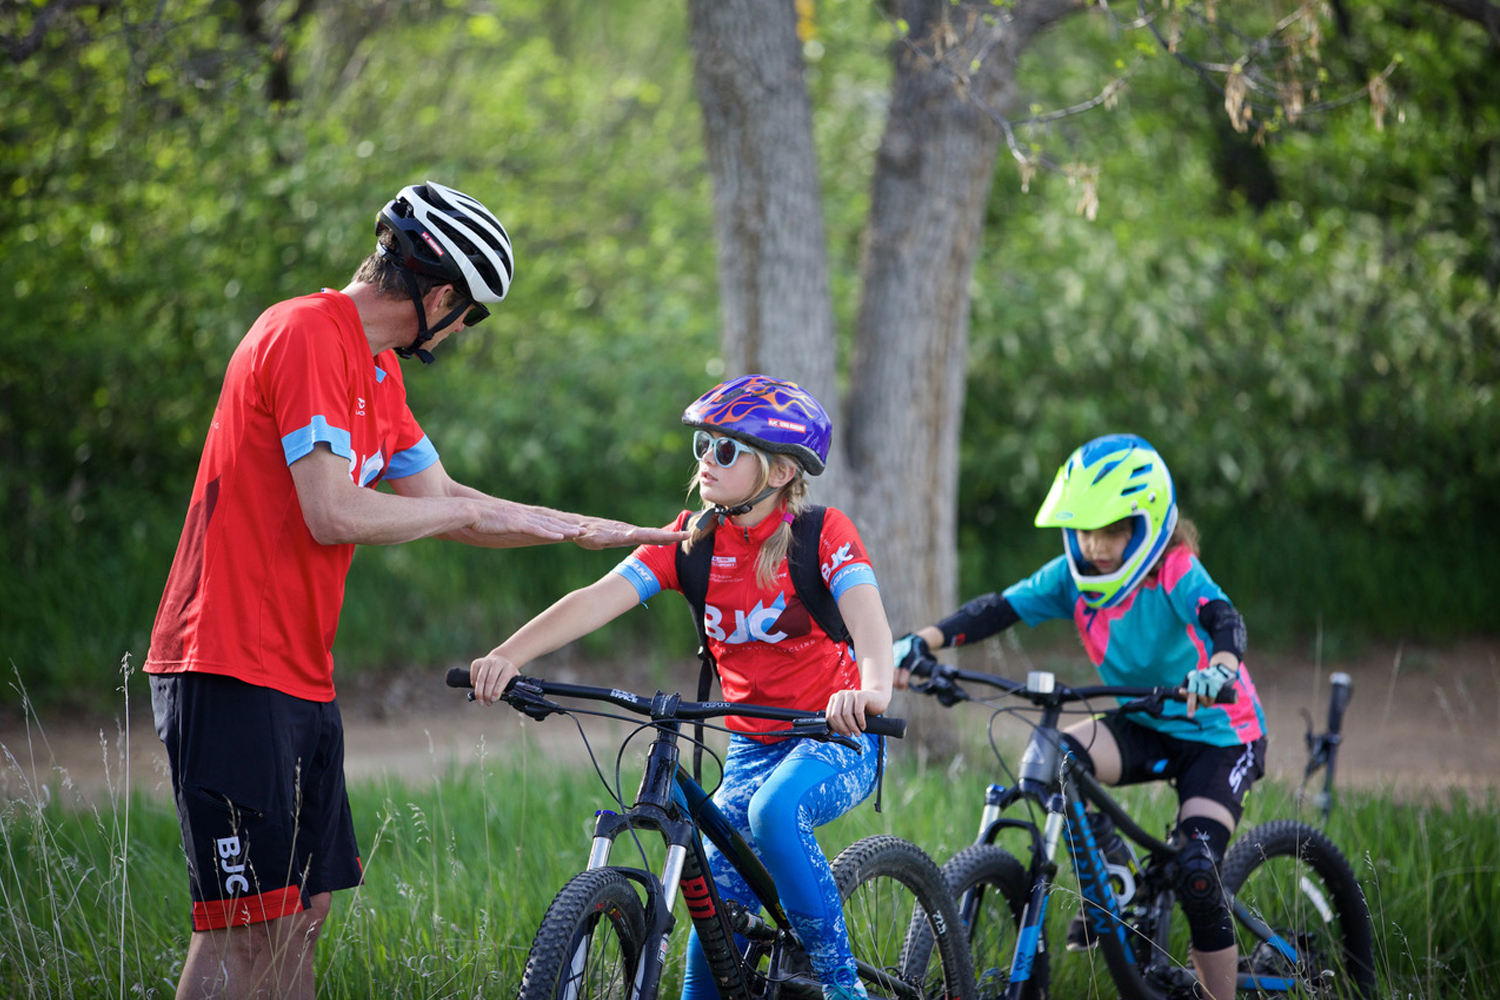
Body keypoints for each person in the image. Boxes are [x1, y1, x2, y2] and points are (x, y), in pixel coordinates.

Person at [144, 180, 687, 1000]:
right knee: (246, 931)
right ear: (438, 295)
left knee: (304, 913)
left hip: (296, 672)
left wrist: (580, 526)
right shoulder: (302, 333)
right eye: (470, 314)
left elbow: (450, 506)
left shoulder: (377, 374)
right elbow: (332, 511)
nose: (465, 331)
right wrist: (462, 512)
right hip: (224, 663)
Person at [468, 374, 895, 1000]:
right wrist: (508, 655)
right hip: (752, 745)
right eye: (703, 445)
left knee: (773, 812)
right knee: (714, 931)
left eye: (726, 450)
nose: (706, 460)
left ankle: (841, 987)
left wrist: (872, 692)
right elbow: (595, 599)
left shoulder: (822, 534)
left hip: (833, 735)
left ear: (778, 472)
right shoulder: (691, 541)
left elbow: (870, 624)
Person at [892, 433, 1266, 1000]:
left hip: (1221, 735)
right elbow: (999, 607)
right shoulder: (1073, 577)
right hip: (1146, 721)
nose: (1097, 544)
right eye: (1086, 529)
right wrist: (922, 641)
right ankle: (1114, 883)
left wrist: (1219, 666)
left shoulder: (1174, 569)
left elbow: (1222, 617)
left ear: (1147, 525)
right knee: (1058, 759)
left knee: (1196, 869)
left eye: (1114, 529)